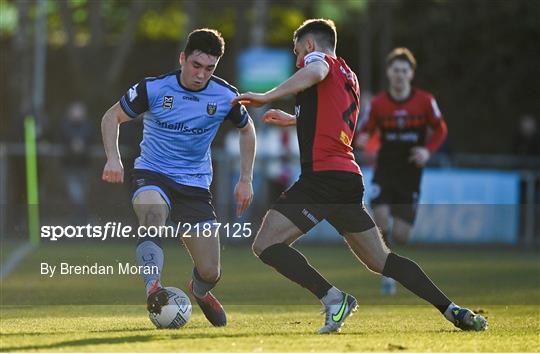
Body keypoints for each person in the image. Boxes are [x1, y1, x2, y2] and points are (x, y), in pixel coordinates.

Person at [232, 19, 486, 334]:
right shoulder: (348, 74)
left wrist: (268, 96)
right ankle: (452, 310)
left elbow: (314, 71)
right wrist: (294, 118)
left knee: (265, 244)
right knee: (381, 260)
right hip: (346, 179)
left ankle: (333, 298)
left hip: (322, 178)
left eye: (298, 52)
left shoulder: (318, 62)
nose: (298, 61)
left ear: (310, 46)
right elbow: (330, 116)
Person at [101, 28, 256, 327]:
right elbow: (111, 117)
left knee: (211, 271)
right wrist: (113, 157)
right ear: (183, 58)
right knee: (151, 214)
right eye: (196, 65)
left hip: (195, 185)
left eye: (209, 68)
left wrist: (245, 178)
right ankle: (154, 288)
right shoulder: (154, 88)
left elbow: (247, 130)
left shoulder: (225, 95)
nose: (201, 74)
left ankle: (199, 291)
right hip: (153, 173)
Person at [355, 47, 448, 295]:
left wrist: (427, 151)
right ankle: (387, 272)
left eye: (404, 70)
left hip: (410, 173)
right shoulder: (378, 104)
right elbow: (365, 129)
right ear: (388, 73)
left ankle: (389, 259)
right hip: (385, 169)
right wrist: (362, 138)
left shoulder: (425, 101)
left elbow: (440, 130)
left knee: (401, 234)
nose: (399, 74)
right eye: (395, 70)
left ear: (411, 74)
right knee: (382, 217)